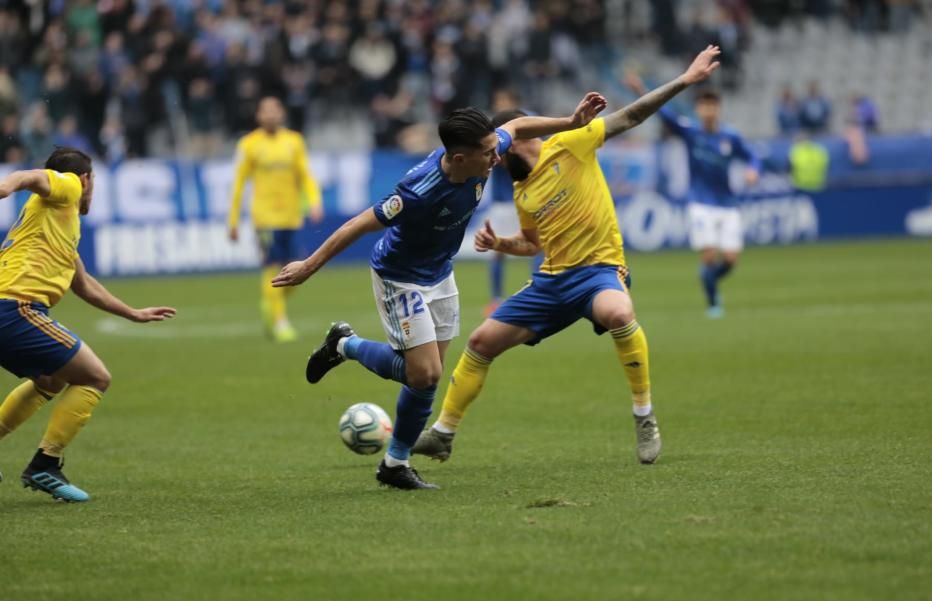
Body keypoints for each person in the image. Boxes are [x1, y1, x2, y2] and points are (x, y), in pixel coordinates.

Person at [271, 94, 607, 491]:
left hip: (441, 273)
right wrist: (309, 266)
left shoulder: (488, 148)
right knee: (424, 372)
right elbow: (359, 224)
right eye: (487, 153)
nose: (496, 157)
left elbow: (515, 128)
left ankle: (395, 463)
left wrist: (571, 121)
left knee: (425, 378)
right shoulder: (417, 191)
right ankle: (345, 345)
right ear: (460, 159)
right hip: (401, 277)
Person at [411, 46, 724, 466]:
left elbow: (630, 117)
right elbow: (533, 243)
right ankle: (443, 433)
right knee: (481, 341)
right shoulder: (523, 189)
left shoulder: (570, 144)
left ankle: (644, 416)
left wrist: (684, 81)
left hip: (598, 271)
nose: (493, 154)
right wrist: (504, 245)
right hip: (552, 281)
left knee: (618, 313)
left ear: (512, 138)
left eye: (494, 144)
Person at [0, 148, 176, 503]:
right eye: (94, 182)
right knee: (96, 377)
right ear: (86, 180)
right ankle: (45, 464)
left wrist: (133, 313)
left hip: (10, 311)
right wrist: (6, 184)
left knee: (51, 379)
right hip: (15, 310)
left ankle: (43, 464)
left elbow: (83, 284)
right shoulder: (68, 186)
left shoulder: (56, 221)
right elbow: (33, 177)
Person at [625, 77, 760, 318]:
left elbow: (752, 156)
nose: (708, 110)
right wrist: (641, 91)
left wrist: (753, 170)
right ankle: (713, 302)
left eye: (713, 105)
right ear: (698, 109)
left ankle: (708, 279)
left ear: (718, 109)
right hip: (700, 202)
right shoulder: (690, 131)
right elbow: (663, 113)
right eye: (704, 105)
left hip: (728, 203)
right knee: (708, 255)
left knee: (730, 260)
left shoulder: (731, 137)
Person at [227, 96, 322, 343]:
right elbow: (238, 184)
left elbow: (306, 175)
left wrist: (314, 201)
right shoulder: (249, 144)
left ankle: (271, 300)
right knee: (273, 266)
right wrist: (233, 220)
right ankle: (280, 322)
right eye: (265, 110)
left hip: (291, 216)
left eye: (274, 110)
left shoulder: (294, 141)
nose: (270, 115)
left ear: (282, 114)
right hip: (265, 218)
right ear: (258, 115)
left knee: (297, 271)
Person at [483, 89, 543, 315]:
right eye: (497, 101)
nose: (499, 104)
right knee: (497, 249)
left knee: (537, 245)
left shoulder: (529, 125)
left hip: (528, 196)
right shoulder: (492, 130)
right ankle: (495, 298)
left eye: (504, 100)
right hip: (503, 201)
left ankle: (538, 290)